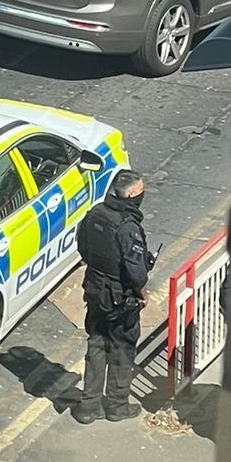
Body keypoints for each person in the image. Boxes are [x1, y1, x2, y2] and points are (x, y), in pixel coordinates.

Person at [73, 167, 155, 423]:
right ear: (131, 195)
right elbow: (135, 269)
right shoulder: (127, 227)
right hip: (121, 296)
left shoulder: (95, 213)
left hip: (95, 289)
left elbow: (82, 248)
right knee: (121, 348)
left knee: (96, 344)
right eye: (141, 192)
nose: (143, 196)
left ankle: (88, 407)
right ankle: (117, 406)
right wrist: (142, 292)